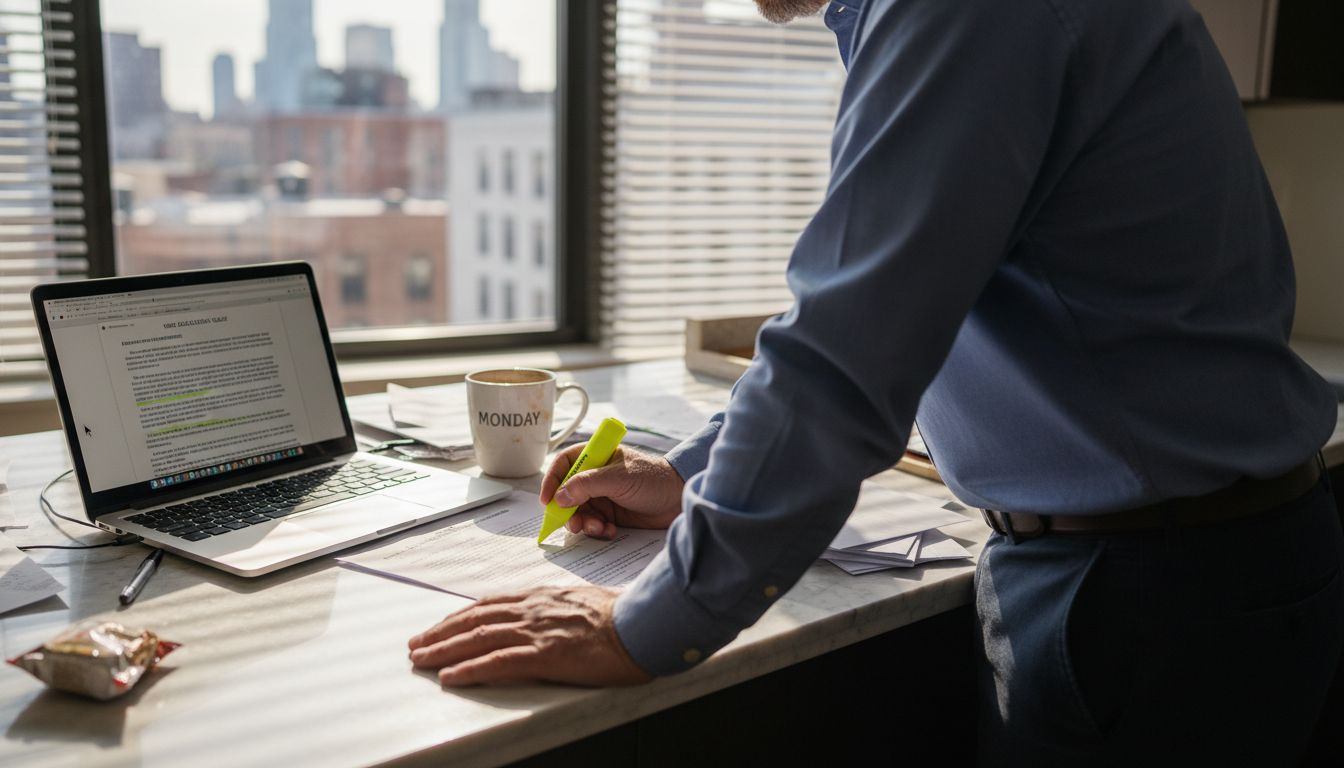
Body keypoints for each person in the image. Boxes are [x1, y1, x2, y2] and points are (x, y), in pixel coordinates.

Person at [408, 0, 1344, 761]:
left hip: (1155, 602)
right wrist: (692, 472)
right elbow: (895, 308)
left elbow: (848, 352)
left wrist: (640, 630)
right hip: (1174, 569)